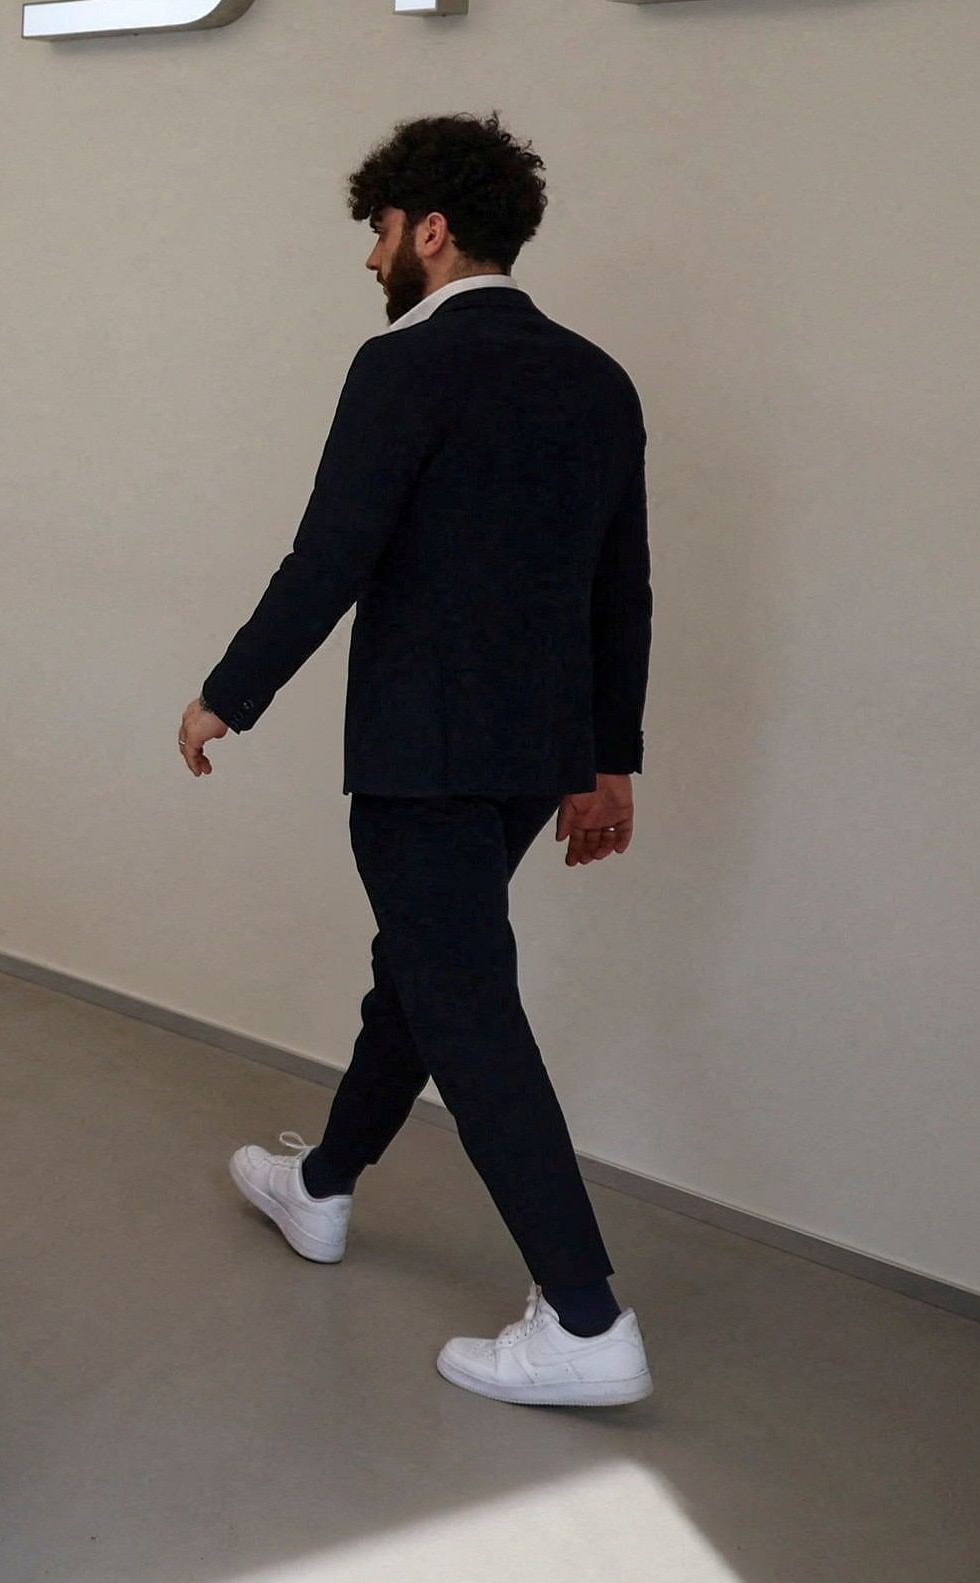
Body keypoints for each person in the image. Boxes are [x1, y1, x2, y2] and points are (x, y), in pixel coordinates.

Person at [176, 112, 653, 1408]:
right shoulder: (598, 378)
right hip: (527, 758)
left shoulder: (403, 367)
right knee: (423, 972)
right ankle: (321, 1186)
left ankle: (585, 1316)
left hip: (421, 755)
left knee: (462, 1001)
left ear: (428, 231)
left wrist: (230, 692)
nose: (371, 258)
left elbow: (333, 553)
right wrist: (609, 760)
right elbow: (625, 590)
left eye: (378, 231)